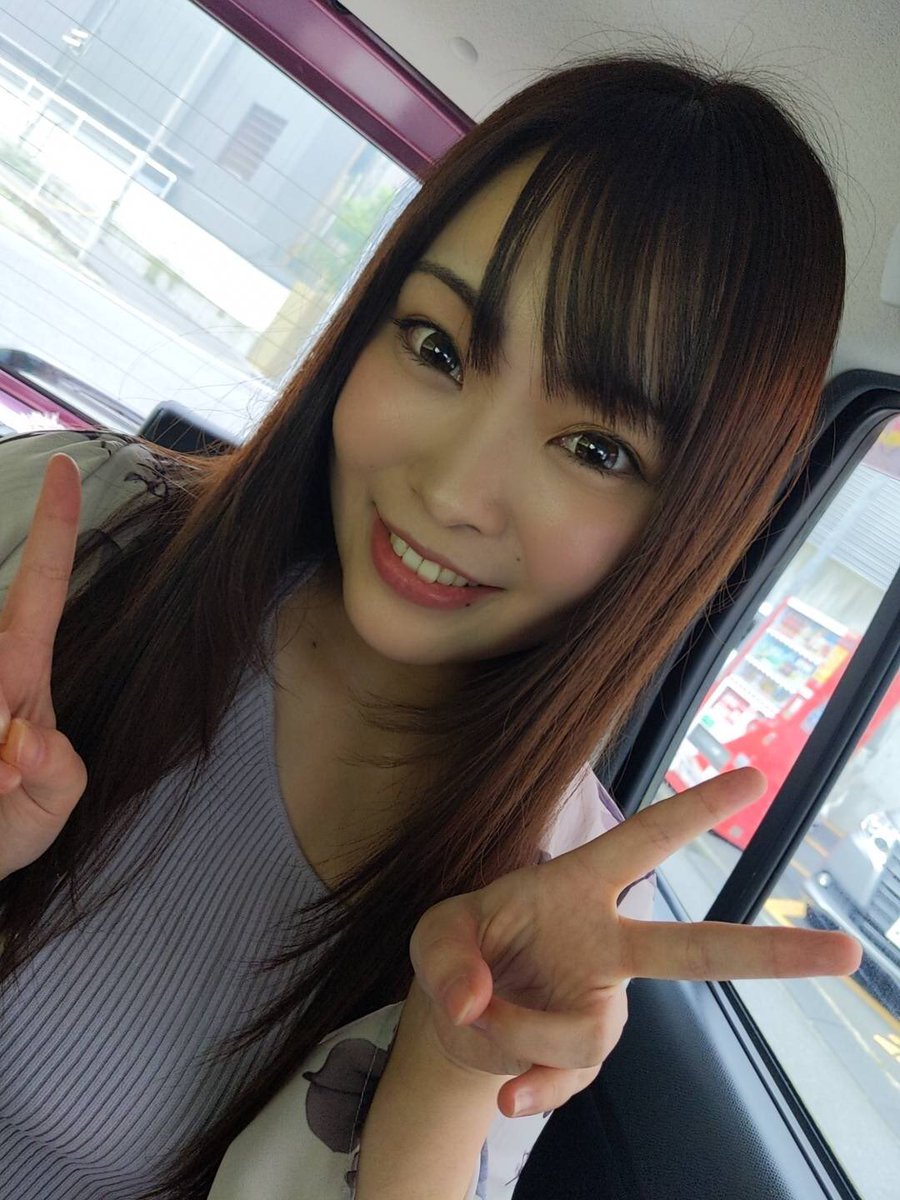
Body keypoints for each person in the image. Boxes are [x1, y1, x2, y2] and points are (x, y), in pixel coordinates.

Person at [0, 52, 861, 1200]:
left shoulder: (560, 896)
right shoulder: (68, 530)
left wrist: (447, 1080)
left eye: (596, 448)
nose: (454, 491)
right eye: (439, 348)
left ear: (683, 528)